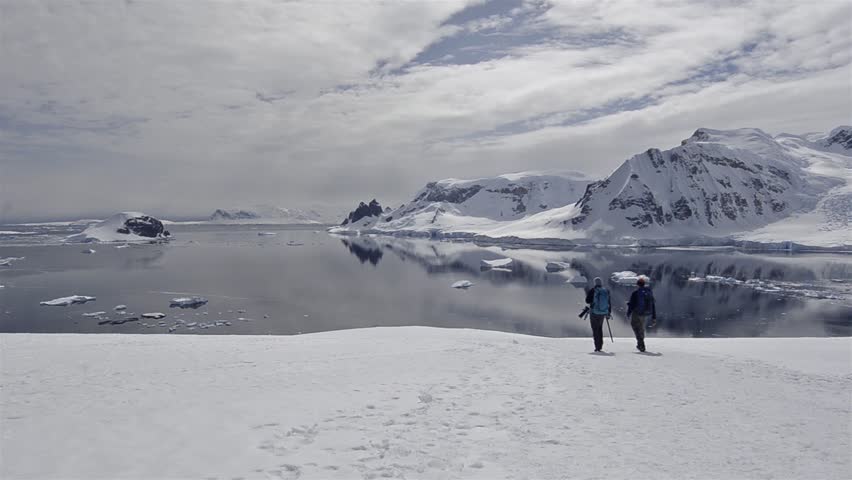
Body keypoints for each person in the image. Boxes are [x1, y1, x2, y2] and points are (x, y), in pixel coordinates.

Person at [626, 276, 656, 352]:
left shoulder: (635, 293)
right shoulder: (648, 293)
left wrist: (628, 313)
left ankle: (641, 343)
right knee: (641, 328)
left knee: (635, 326)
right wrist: (653, 317)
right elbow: (652, 304)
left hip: (636, 313)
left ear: (637, 285)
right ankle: (641, 343)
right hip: (645, 313)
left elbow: (632, 305)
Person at [584, 277, 611, 352]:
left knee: (595, 329)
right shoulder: (605, 291)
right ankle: (600, 345)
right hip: (602, 313)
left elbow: (587, 301)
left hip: (594, 312)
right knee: (599, 328)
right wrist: (608, 312)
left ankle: (597, 346)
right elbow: (609, 302)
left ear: (595, 283)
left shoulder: (593, 290)